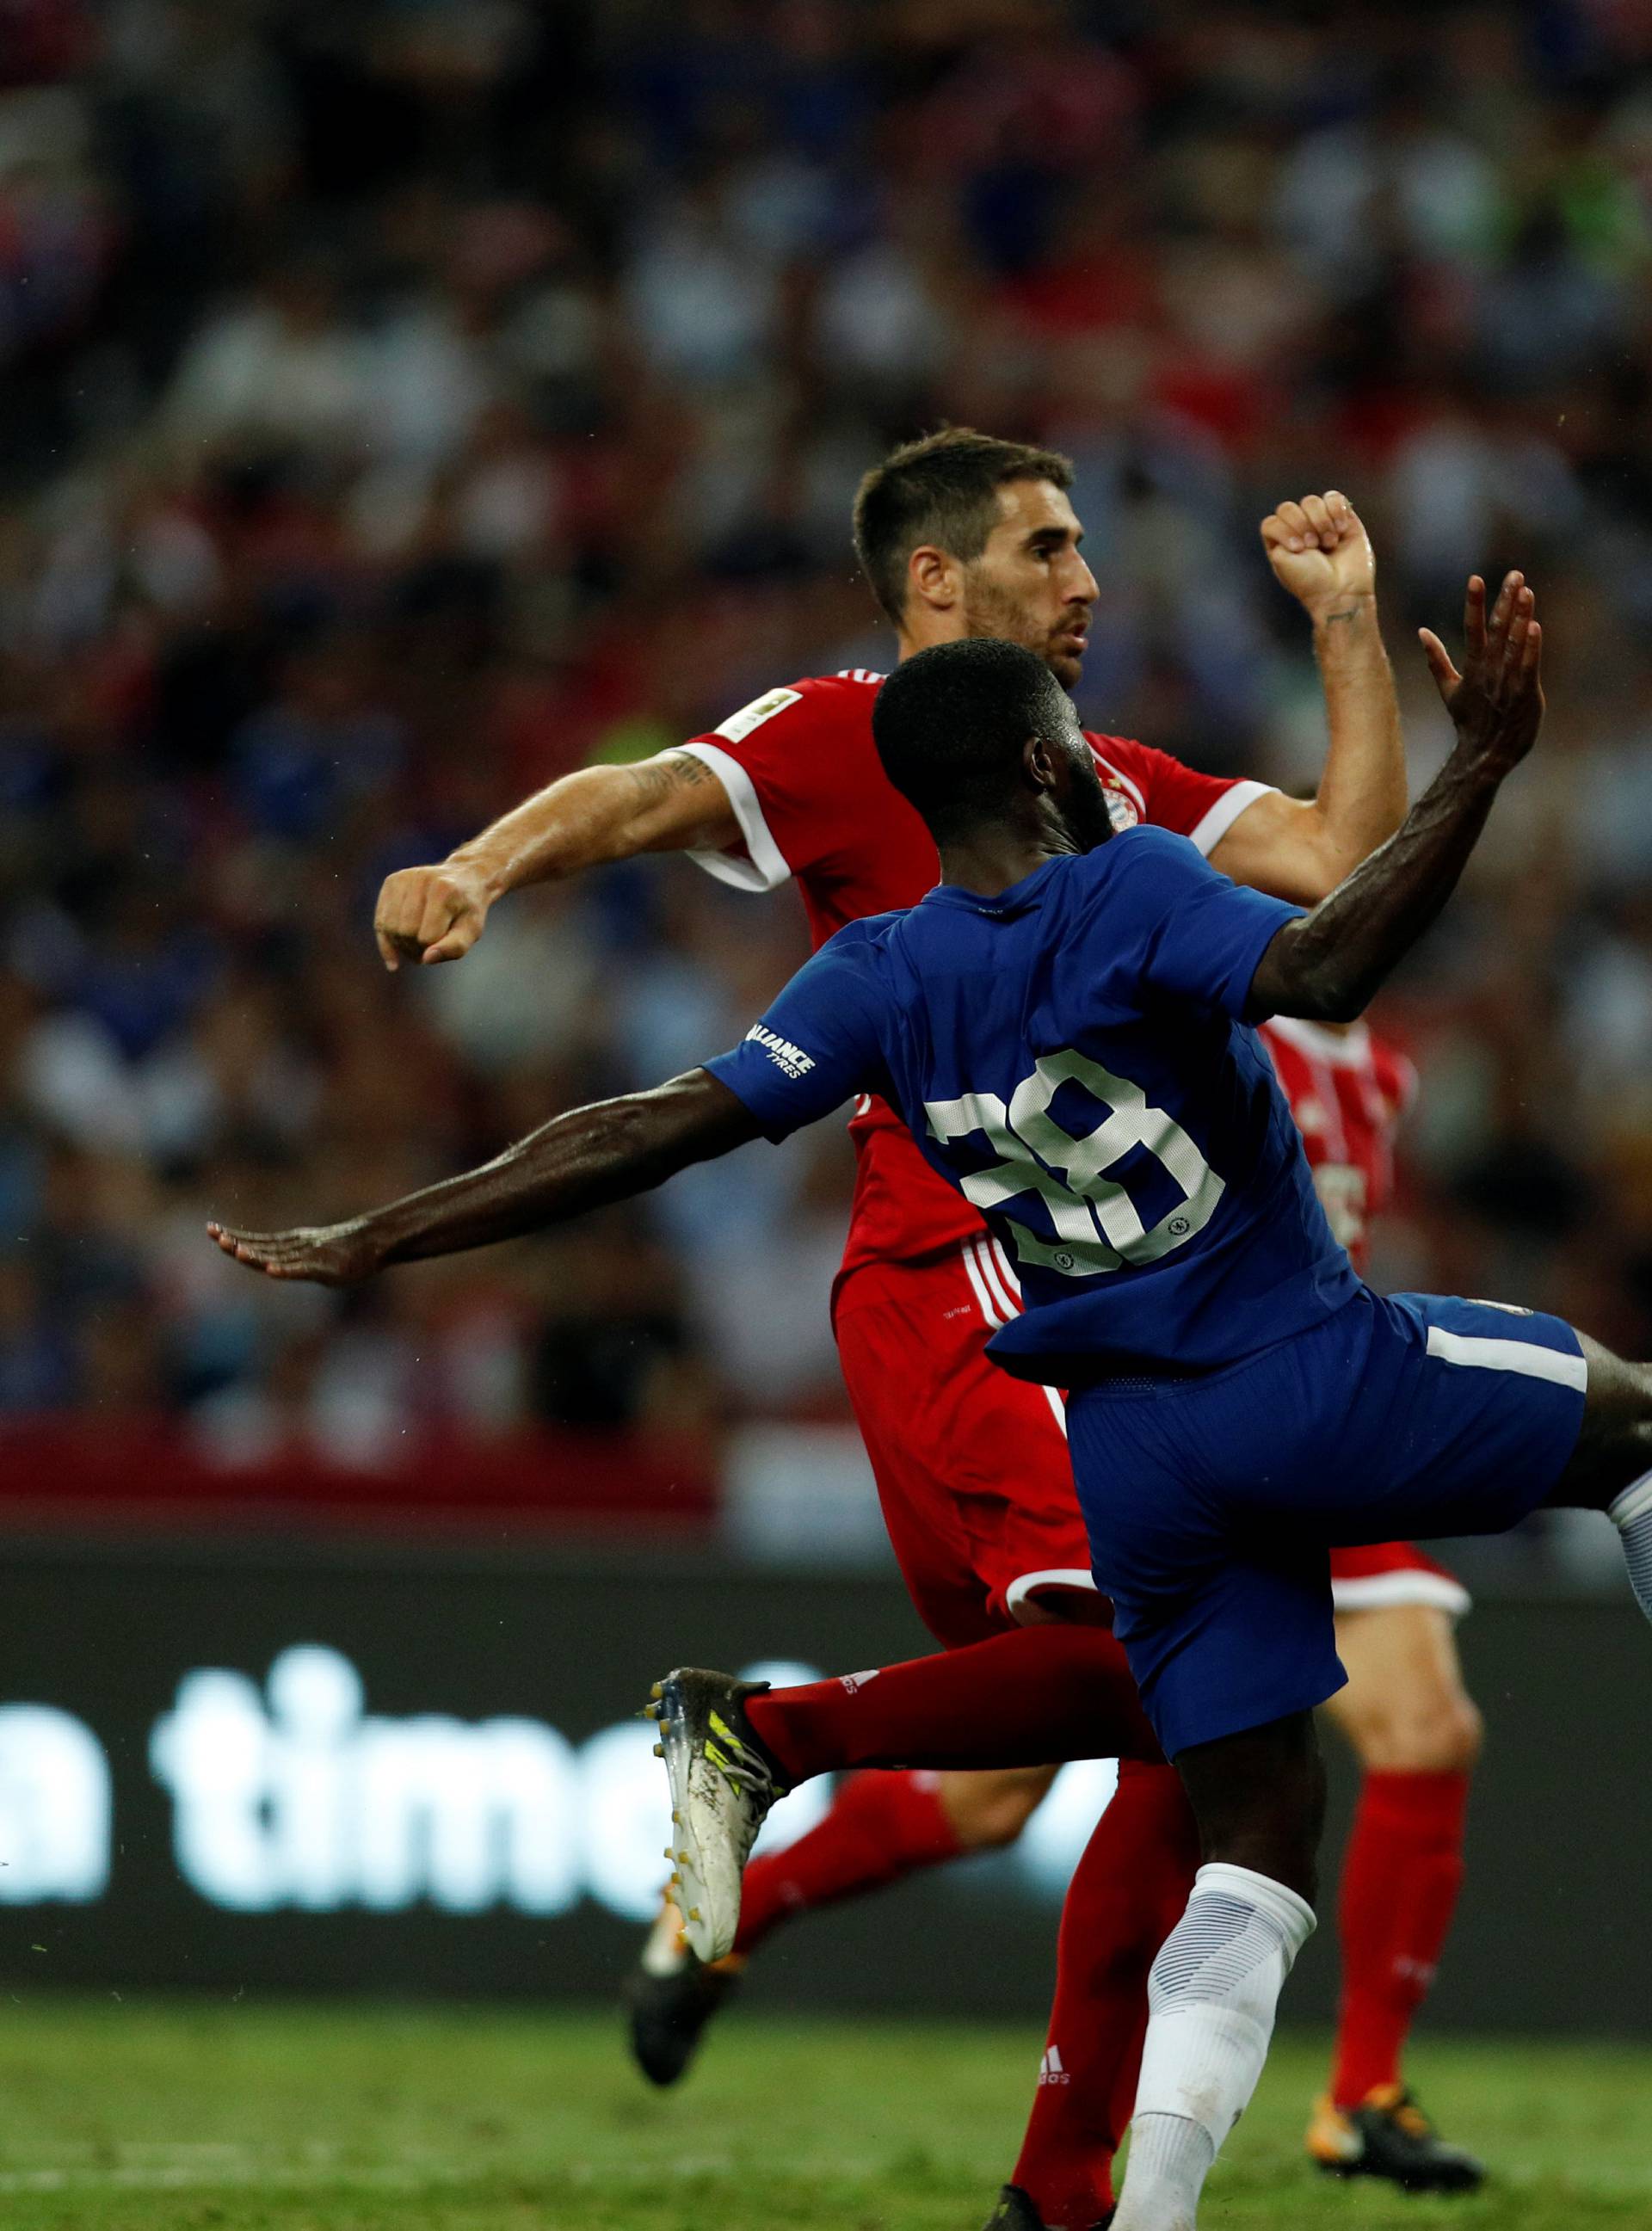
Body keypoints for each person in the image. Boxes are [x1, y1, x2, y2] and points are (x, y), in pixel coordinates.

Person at [210, 588, 1652, 2231]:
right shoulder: (1130, 883)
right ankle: (796, 1753)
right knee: (1639, 1426)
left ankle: (1131, 2211)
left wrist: (386, 1233)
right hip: (1300, 1371)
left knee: (1246, 1826)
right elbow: (1327, 962)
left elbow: (658, 1125)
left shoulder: (875, 972)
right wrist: (1484, 766)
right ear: (1046, 770)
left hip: (1139, 1451)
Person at [364, 428, 1422, 2225]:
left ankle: (916, 2060)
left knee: (1122, 1744)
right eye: (1048, 549)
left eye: (1086, 551)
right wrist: (473, 868)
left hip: (1096, 1310)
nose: (1090, 584)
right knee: (1191, 1700)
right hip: (968, 1287)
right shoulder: (837, 730)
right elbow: (630, 796)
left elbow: (1342, 858)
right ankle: (771, 1760)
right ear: (937, 581)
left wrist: (1348, 627)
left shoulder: (1099, 781)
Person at [1258, 1015, 1482, 2188]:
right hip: (1206, 1419)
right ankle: (738, 1918)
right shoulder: (1212, 1004)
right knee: (997, 1797)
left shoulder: (1384, 1066)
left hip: (1312, 1429)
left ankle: (1359, 2096)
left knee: (1429, 1729)